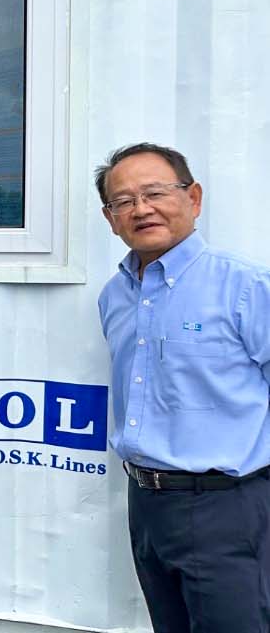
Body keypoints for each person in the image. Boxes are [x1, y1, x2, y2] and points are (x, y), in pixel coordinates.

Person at [94, 142, 270, 633]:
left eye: (154, 192)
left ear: (193, 197)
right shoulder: (115, 296)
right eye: (123, 201)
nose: (141, 209)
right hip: (147, 505)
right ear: (110, 218)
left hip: (228, 508)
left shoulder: (247, 287)